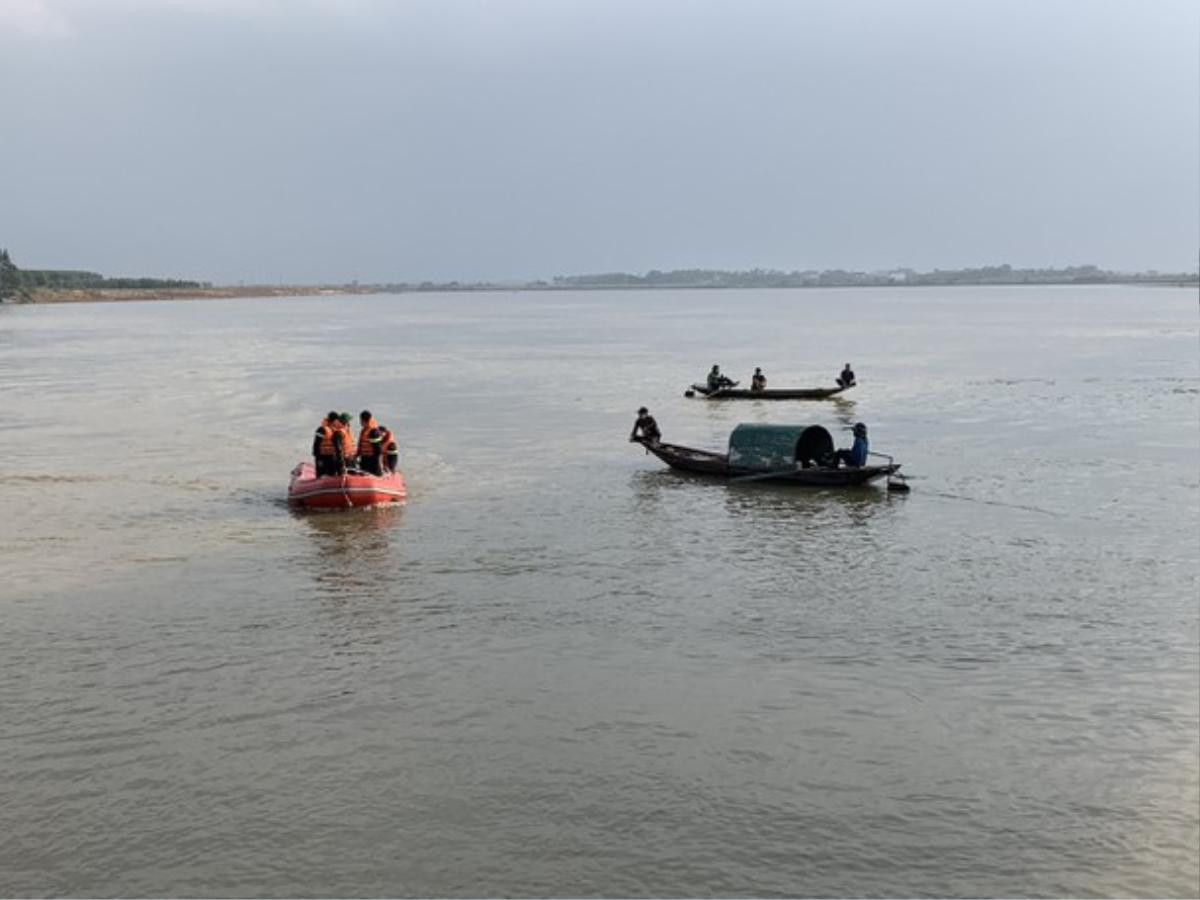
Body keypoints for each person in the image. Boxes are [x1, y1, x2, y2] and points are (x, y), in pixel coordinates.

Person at [313, 410, 347, 476]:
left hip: (331, 458)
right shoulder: (321, 429)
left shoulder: (334, 431)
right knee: (321, 475)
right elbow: (316, 445)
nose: (338, 422)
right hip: (322, 458)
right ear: (334, 420)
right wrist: (319, 459)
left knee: (332, 474)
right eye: (337, 420)